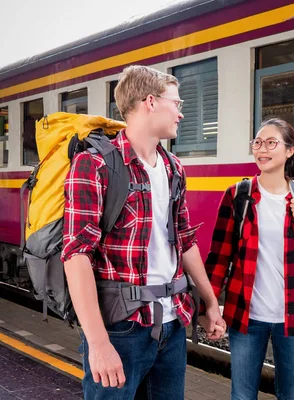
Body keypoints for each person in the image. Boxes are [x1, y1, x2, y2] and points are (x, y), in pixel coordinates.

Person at [62, 65, 226, 399]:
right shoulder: (94, 165)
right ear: (150, 102)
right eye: (176, 103)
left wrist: (211, 302)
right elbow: (76, 254)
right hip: (121, 328)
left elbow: (184, 238)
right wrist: (97, 343)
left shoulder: (172, 167)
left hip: (172, 323)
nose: (180, 113)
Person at [202, 118, 294, 399]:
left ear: (289, 151)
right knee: (243, 395)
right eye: (257, 143)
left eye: (271, 142)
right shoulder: (238, 195)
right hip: (246, 315)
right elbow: (219, 257)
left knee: (291, 395)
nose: (262, 149)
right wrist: (209, 307)